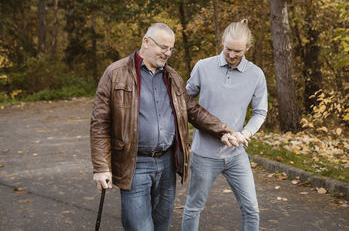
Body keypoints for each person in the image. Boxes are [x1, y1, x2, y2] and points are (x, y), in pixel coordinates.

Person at [90, 23, 243, 231]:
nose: (167, 53)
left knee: (161, 225)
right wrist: (101, 167)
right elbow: (100, 123)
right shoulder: (116, 73)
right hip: (135, 164)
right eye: (163, 47)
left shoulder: (172, 77)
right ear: (146, 42)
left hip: (167, 164)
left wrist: (224, 130)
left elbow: (193, 110)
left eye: (171, 48)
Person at [181, 19, 268, 231]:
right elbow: (183, 101)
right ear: (222, 42)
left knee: (251, 209)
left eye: (238, 51)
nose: (231, 55)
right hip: (204, 155)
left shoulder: (256, 74)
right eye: (228, 49)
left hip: (236, 155)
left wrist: (246, 132)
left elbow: (260, 112)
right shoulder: (203, 66)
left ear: (248, 48)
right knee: (194, 208)